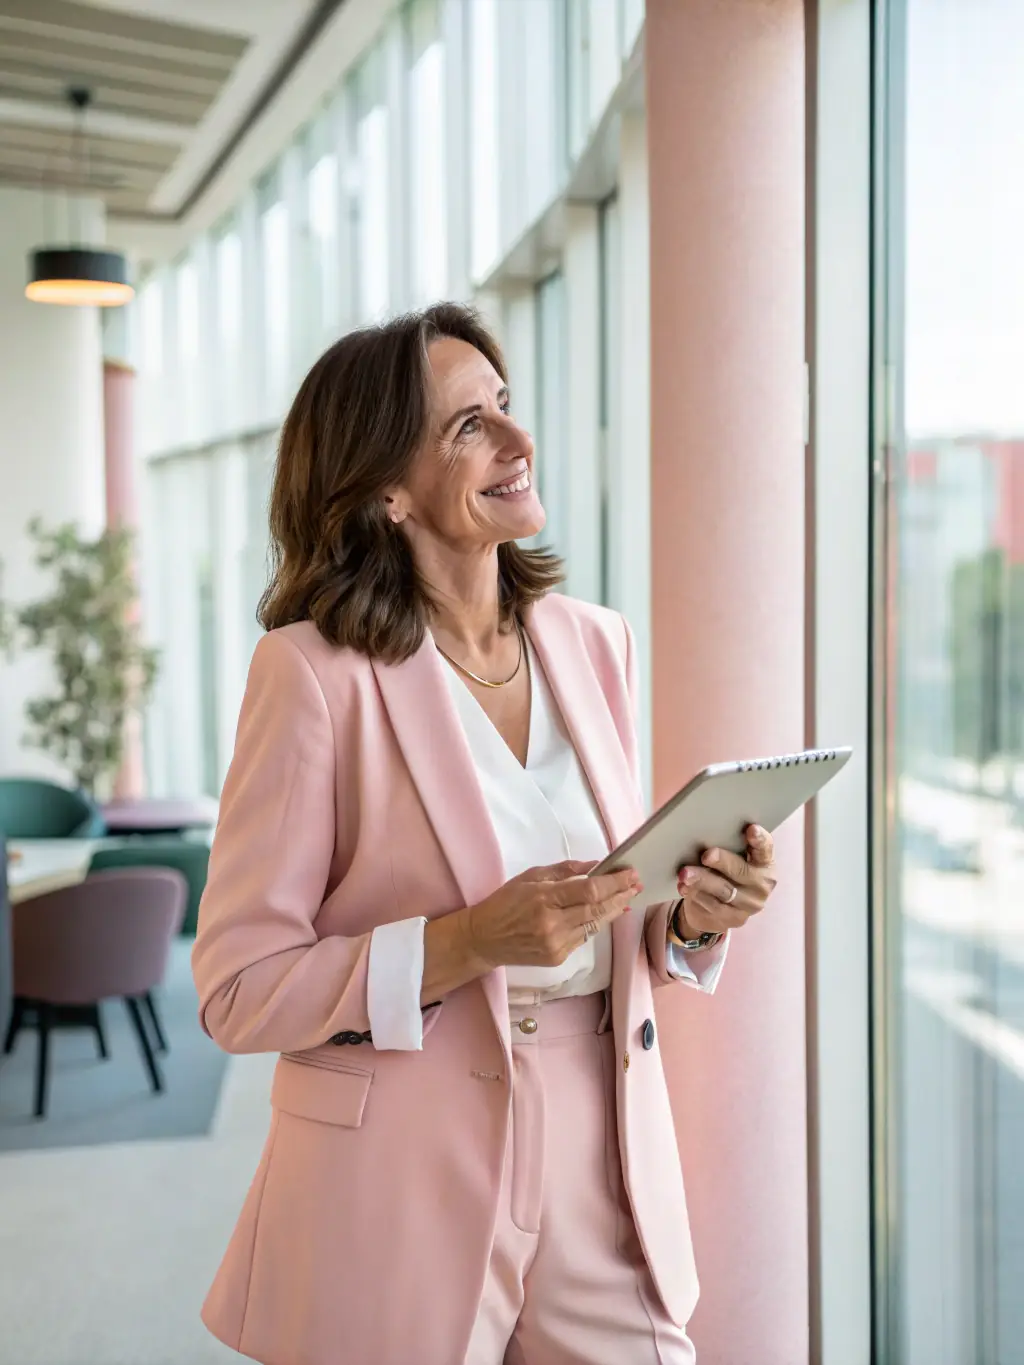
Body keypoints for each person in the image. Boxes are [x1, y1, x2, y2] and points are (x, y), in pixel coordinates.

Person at [191, 302, 777, 1365]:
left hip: (603, 1158)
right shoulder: (310, 676)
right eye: (468, 426)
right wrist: (463, 942)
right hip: (396, 1178)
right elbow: (236, 989)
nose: (519, 441)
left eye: (505, 407)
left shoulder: (594, 643)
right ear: (384, 487)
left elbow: (610, 916)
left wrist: (689, 921)